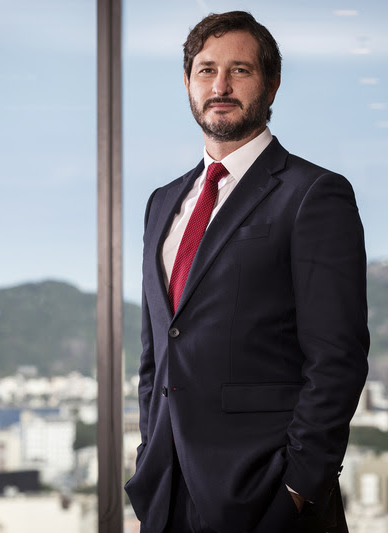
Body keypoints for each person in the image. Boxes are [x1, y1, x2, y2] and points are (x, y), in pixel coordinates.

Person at [124, 11, 369, 533]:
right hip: (166, 493)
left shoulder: (313, 194)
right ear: (187, 83)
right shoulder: (162, 203)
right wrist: (149, 455)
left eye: (240, 70)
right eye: (207, 70)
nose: (221, 86)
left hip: (265, 496)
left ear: (272, 83)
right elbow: (156, 354)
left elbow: (337, 359)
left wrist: (297, 488)